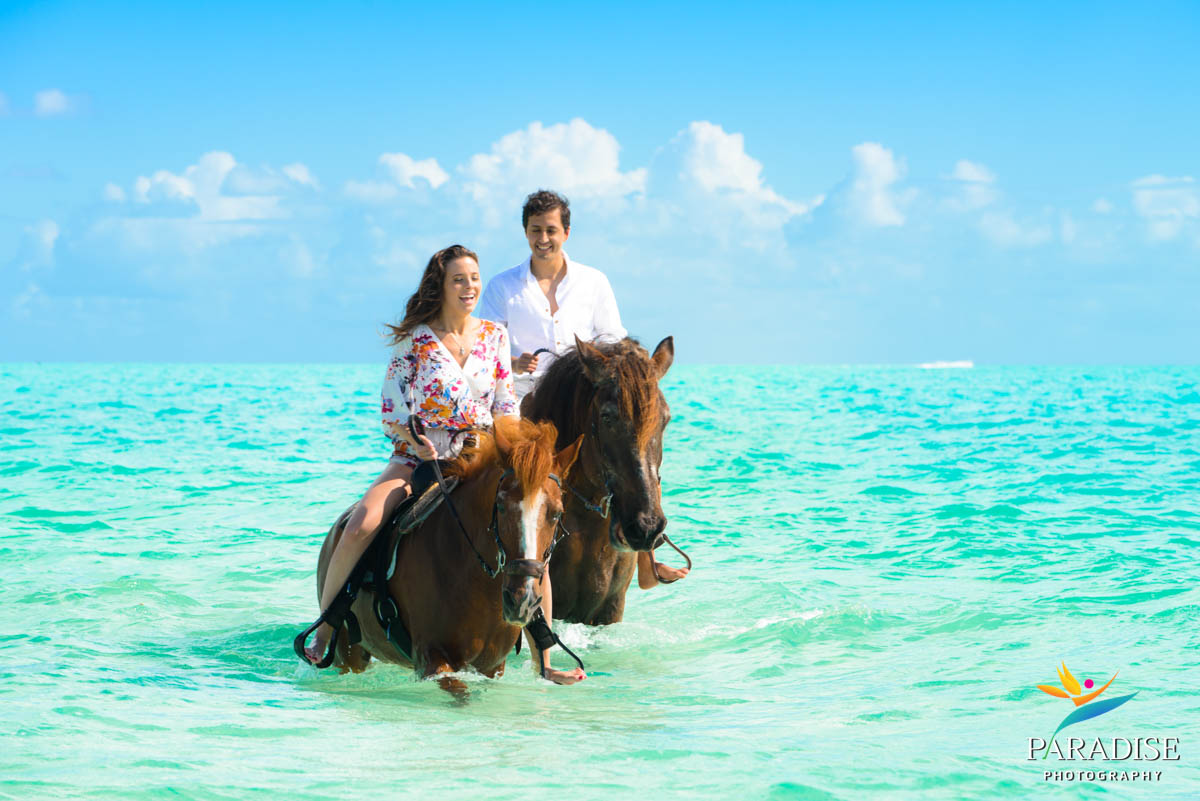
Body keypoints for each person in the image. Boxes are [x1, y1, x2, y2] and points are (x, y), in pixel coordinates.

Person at [303, 244, 585, 684]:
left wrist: (513, 447)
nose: (469, 286)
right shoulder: (414, 341)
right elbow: (391, 413)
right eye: (459, 279)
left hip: (482, 457)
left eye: (474, 277)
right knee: (362, 522)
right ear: (442, 285)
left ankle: (544, 658)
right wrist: (412, 442)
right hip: (419, 457)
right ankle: (327, 625)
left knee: (529, 540)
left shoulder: (493, 336)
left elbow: (505, 404)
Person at [479, 191, 688, 587]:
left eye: (551, 230)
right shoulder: (502, 287)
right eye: (536, 230)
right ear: (525, 232)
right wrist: (510, 362)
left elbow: (613, 341)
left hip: (583, 402)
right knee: (501, 477)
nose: (544, 238)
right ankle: (495, 566)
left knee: (636, 452)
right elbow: (486, 347)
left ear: (567, 232)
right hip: (527, 404)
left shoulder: (593, 282)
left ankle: (646, 563)